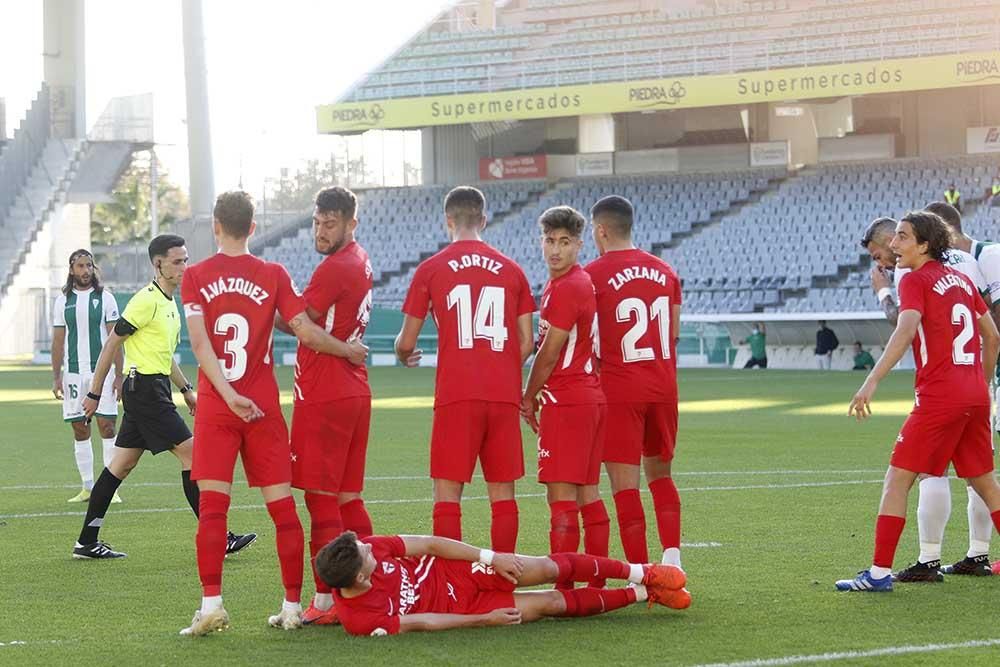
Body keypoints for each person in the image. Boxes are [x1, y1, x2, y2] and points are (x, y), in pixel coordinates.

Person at [178, 191, 369, 636]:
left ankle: (211, 606)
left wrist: (225, 394)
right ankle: (291, 607)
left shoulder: (196, 276)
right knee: (284, 511)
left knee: (213, 511)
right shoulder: (274, 274)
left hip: (218, 405)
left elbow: (201, 345)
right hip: (263, 406)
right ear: (254, 227)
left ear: (216, 225)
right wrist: (348, 351)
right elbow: (304, 329)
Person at [837, 211, 1000, 591]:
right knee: (986, 483)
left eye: (903, 237)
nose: (894, 245)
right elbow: (992, 337)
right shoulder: (962, 279)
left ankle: (878, 574)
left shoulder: (914, 279)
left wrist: (871, 381)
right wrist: (981, 380)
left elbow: (905, 330)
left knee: (897, 479)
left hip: (940, 396)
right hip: (975, 394)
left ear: (925, 245)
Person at [71, 234, 255, 560]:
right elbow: (112, 343)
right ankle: (219, 538)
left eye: (186, 259)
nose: (185, 265)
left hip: (152, 389)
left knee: (121, 466)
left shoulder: (170, 303)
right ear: (159, 264)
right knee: (197, 456)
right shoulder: (146, 300)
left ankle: (86, 541)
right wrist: (94, 393)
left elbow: (164, 355)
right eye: (178, 261)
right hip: (144, 391)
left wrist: (186, 390)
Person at [395, 186, 535, 554]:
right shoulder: (513, 270)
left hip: (456, 393)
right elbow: (528, 341)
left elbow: (407, 342)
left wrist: (403, 353)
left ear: (448, 221)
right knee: (503, 493)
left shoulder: (430, 269)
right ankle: (503, 581)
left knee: (447, 493)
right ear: (483, 219)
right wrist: (502, 368)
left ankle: (453, 585)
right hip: (502, 394)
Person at [285, 186, 376, 626]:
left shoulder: (335, 267)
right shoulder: (357, 258)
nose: (321, 230)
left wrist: (272, 301)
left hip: (325, 394)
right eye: (318, 222)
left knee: (321, 503)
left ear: (350, 223)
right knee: (347, 499)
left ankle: (324, 603)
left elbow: (302, 327)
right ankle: (374, 584)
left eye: (330, 223)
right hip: (353, 392)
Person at [315, 530, 690, 636]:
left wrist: (488, 557)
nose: (369, 545)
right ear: (360, 578)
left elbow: (429, 543)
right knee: (549, 605)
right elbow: (423, 622)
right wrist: (484, 619)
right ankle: (644, 594)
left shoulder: (371, 547)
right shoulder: (359, 619)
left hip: (455, 571)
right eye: (365, 552)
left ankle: (643, 571)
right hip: (460, 608)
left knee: (544, 568)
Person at [583, 195, 684, 569]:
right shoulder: (666, 271)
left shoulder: (591, 275)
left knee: (625, 486)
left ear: (601, 230)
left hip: (619, 388)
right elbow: (672, 334)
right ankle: (673, 562)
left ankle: (641, 575)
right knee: (661, 477)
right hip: (662, 386)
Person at [521, 206, 608, 586]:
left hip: (567, 399)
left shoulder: (568, 286)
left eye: (565, 242)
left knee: (561, 498)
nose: (555, 250)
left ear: (579, 244)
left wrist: (528, 396)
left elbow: (549, 351)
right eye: (549, 241)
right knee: (588, 492)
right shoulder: (574, 282)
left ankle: (564, 586)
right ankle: (597, 580)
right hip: (589, 397)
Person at [51, 249, 124, 503]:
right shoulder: (62, 301)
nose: (85, 271)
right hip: (72, 374)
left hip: (102, 373)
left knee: (107, 426)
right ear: (71, 270)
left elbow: (116, 339)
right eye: (80, 266)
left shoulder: (106, 298)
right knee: (79, 429)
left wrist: (119, 376)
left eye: (89, 266)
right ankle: (88, 487)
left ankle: (110, 488)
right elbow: (58, 342)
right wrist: (56, 376)